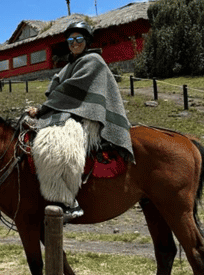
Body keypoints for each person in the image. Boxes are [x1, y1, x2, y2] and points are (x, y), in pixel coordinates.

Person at [26, 21, 134, 220]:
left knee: (53, 142)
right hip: (71, 111)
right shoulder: (70, 65)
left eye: (78, 39)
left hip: (88, 115)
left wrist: (43, 109)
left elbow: (70, 89)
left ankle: (68, 201)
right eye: (70, 40)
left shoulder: (93, 60)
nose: (74, 43)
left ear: (87, 41)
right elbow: (59, 87)